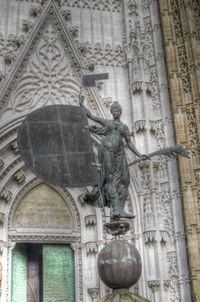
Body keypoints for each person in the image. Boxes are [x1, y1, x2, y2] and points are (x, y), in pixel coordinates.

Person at [79, 95, 148, 218]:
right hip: (107, 151)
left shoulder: (124, 127)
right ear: (111, 112)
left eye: (117, 110)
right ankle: (116, 209)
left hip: (119, 154)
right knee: (109, 179)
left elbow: (129, 143)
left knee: (125, 180)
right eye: (113, 110)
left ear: (120, 112)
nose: (115, 112)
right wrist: (81, 105)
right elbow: (92, 116)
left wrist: (140, 154)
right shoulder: (108, 123)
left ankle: (120, 209)